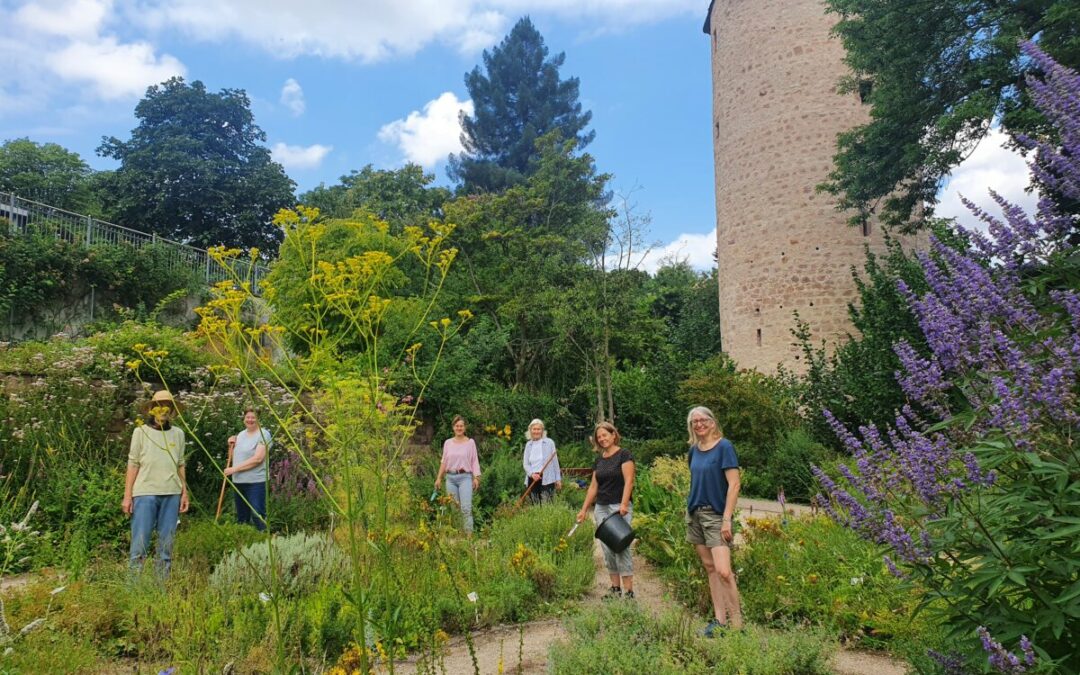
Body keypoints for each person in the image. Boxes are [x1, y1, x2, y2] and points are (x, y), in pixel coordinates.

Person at [685, 405, 743, 636]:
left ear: (712, 422)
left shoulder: (724, 447)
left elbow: (734, 484)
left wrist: (727, 519)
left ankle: (737, 626)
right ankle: (719, 622)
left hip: (717, 515)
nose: (699, 424)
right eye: (694, 422)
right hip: (695, 514)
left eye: (702, 420)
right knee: (710, 568)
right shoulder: (694, 450)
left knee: (724, 571)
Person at [123, 389, 189, 576]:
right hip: (145, 493)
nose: (163, 410)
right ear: (152, 409)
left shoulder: (178, 434)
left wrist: (184, 492)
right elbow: (133, 463)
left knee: (166, 546)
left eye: (168, 406)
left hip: (172, 493)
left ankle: (161, 590)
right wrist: (128, 496)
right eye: (159, 406)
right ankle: (134, 589)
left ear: (172, 410)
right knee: (140, 545)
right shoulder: (140, 432)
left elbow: (180, 464)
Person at [576, 421, 636, 600]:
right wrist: (583, 509)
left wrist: (624, 504)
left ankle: (629, 592)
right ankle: (615, 589)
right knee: (607, 548)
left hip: (618, 507)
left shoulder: (624, 455)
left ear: (613, 435)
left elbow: (629, 481)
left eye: (605, 435)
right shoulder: (599, 460)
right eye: (599, 437)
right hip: (601, 507)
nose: (602, 439)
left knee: (621, 546)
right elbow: (593, 487)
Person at [225, 408, 272, 531]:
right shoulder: (240, 435)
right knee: (242, 518)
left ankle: (264, 538)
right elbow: (234, 457)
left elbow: (258, 459)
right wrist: (230, 445)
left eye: (253, 417)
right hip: (239, 482)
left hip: (255, 482)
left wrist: (234, 469)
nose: (250, 420)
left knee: (258, 515)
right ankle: (245, 542)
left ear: (258, 419)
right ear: (244, 419)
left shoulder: (264, 434)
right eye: (248, 417)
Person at [434, 415, 481, 533]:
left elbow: (474, 460)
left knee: (466, 508)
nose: (459, 428)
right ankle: (459, 536)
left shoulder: (470, 443)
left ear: (464, 428)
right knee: (454, 509)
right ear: (453, 427)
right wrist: (439, 478)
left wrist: (476, 478)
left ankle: (469, 537)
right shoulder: (448, 443)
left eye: (461, 426)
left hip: (465, 478)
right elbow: (444, 462)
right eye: (457, 426)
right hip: (450, 478)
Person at [522, 418, 561, 504]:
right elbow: (525, 464)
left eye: (538, 429)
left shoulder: (549, 443)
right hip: (532, 478)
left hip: (547, 477)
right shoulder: (528, 445)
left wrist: (558, 479)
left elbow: (555, 462)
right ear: (530, 431)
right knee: (534, 505)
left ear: (542, 430)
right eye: (534, 429)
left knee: (548, 505)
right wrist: (532, 474)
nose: (536, 431)